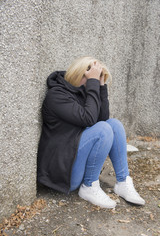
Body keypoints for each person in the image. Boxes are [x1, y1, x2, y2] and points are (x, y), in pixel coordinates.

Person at [37, 56, 145, 208]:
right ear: (81, 75)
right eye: (92, 78)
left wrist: (100, 87)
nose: (94, 81)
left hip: (76, 162)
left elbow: (102, 119)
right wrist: (93, 84)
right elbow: (90, 120)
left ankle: (123, 181)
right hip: (63, 174)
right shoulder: (56, 96)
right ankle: (89, 186)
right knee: (103, 130)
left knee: (114, 124)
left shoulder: (82, 91)